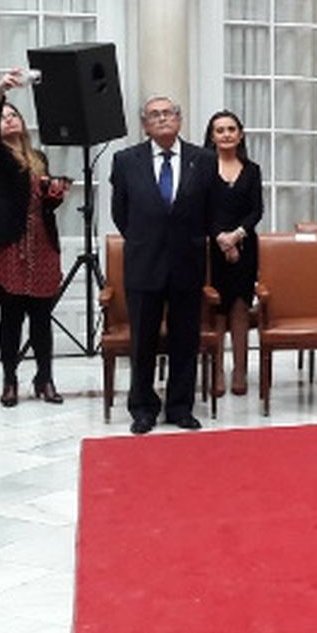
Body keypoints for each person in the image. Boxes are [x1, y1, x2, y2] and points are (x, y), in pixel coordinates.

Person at [110, 95, 214, 434]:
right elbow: (120, 213)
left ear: (180, 120)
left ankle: (180, 406)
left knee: (186, 338)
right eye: (154, 115)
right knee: (143, 340)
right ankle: (142, 407)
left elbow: (209, 211)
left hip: (187, 261)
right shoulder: (126, 160)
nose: (162, 119)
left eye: (168, 113)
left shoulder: (204, 159)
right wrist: (145, 239)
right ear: (144, 125)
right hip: (144, 261)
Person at [0, 68, 67, 406]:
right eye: (5, 116)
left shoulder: (38, 158)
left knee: (42, 317)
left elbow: (44, 203)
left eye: (15, 115)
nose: (10, 120)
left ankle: (45, 380)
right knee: (11, 316)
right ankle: (9, 380)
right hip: (9, 244)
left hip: (42, 242)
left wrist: (55, 195)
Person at [203, 111, 263, 397]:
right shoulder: (201, 167)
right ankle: (216, 371)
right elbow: (201, 209)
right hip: (211, 248)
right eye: (219, 130)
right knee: (217, 309)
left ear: (240, 134)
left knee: (240, 306)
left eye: (231, 129)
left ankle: (240, 370)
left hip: (246, 245)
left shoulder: (252, 170)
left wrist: (237, 236)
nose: (226, 134)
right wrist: (222, 240)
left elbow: (256, 211)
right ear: (212, 136)